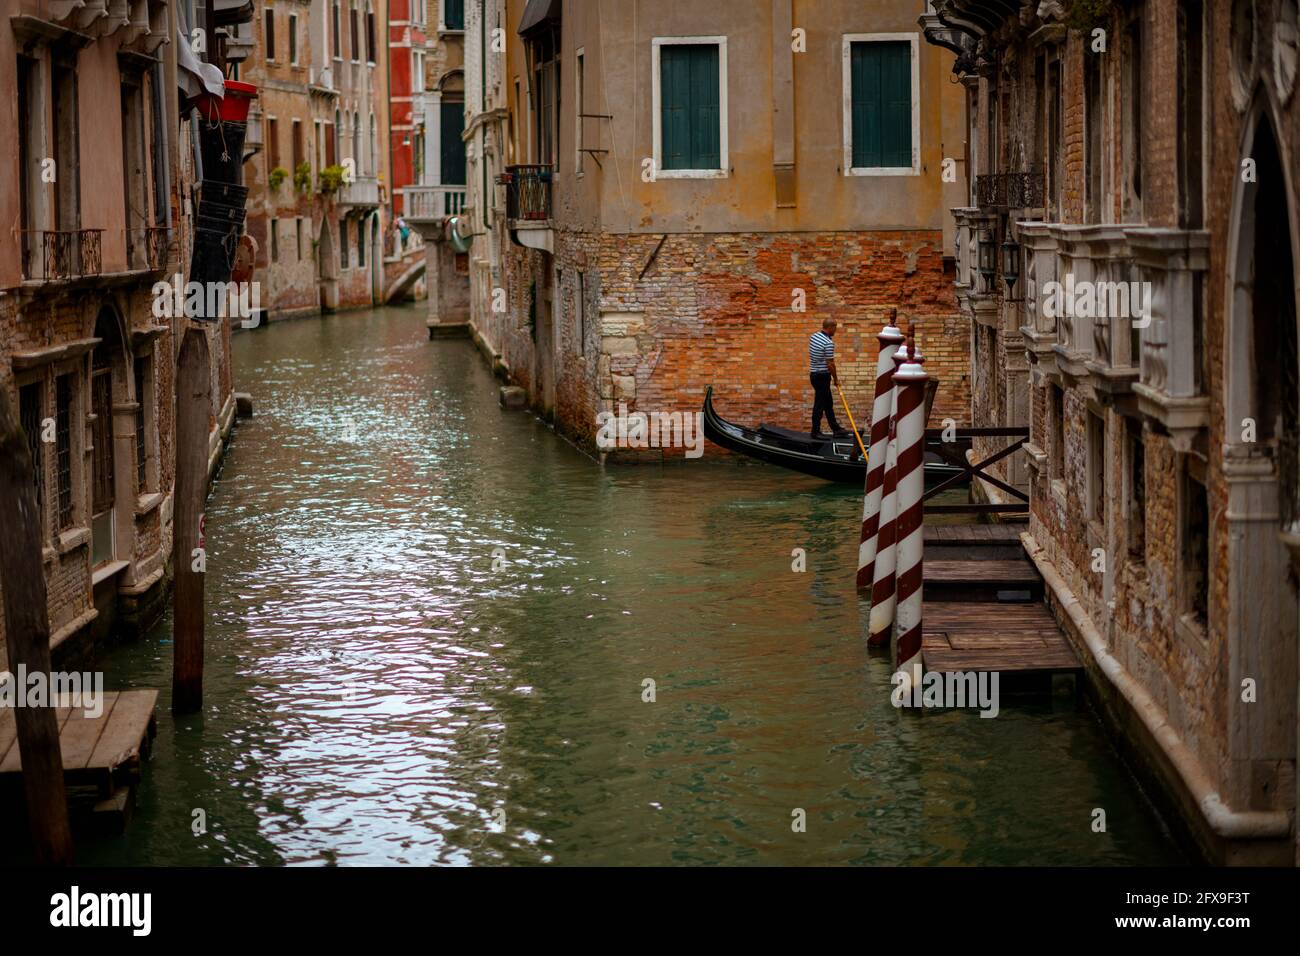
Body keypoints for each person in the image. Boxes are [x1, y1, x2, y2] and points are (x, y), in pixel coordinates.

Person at [808, 318, 850, 439]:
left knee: (828, 403)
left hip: (814, 375)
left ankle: (836, 429)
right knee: (819, 405)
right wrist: (836, 379)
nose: (835, 330)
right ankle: (815, 432)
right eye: (835, 327)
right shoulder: (828, 343)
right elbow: (830, 364)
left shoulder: (814, 336)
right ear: (830, 327)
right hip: (822, 376)